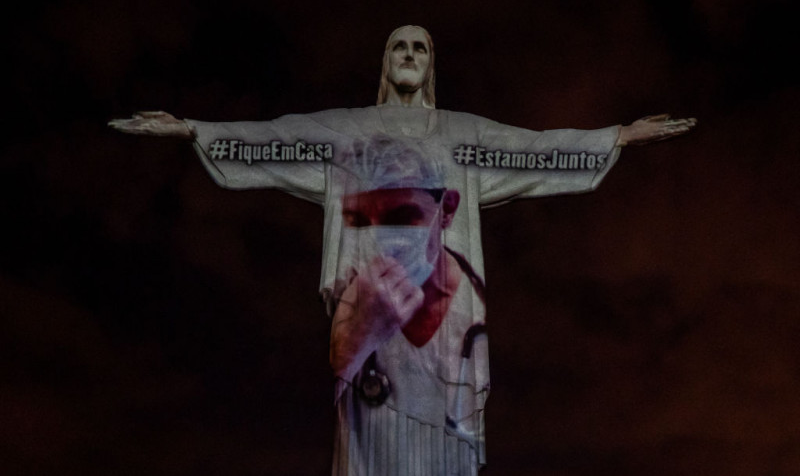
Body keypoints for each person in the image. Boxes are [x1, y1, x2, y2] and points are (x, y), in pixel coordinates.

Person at [110, 25, 696, 475]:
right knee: (370, 442)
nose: (410, 54)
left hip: (444, 328)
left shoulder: (463, 135)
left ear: (432, 63)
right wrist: (194, 129)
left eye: (420, 47)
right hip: (372, 322)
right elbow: (273, 136)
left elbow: (537, 151)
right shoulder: (346, 131)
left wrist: (613, 138)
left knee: (445, 446)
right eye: (400, 47)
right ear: (386, 64)